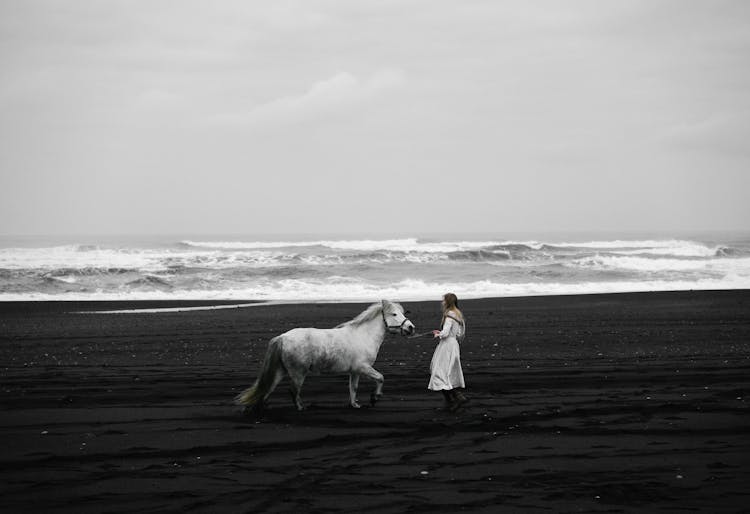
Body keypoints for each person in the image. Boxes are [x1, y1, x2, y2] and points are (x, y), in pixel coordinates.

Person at [428, 292, 468, 410]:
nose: (442, 302)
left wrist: (437, 334)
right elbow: (460, 334)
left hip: (446, 346)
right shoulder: (458, 314)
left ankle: (456, 397)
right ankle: (450, 400)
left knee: (439, 371)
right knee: (448, 371)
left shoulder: (449, 314)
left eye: (444, 300)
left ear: (448, 302)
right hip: (454, 344)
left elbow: (445, 333)